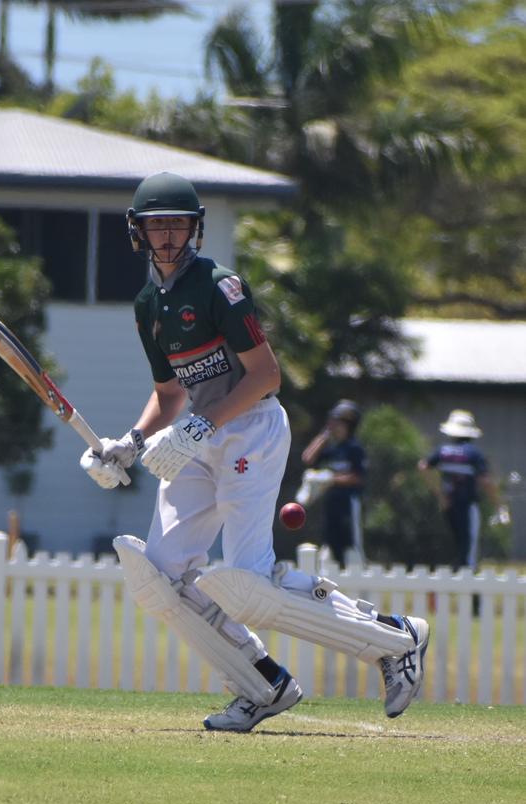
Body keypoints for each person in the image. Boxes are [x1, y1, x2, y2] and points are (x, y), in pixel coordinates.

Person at [80, 172, 429, 730]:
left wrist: (201, 425)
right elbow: (169, 392)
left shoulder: (219, 286)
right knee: (161, 578)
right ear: (138, 233)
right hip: (197, 433)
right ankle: (260, 684)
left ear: (195, 229)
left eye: (177, 224)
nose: (167, 236)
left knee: (247, 585)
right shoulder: (148, 304)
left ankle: (394, 637)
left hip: (250, 429)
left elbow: (266, 375)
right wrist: (131, 442)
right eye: (156, 225)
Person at [418, 409, 507, 571]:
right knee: (468, 549)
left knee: (456, 545)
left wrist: (440, 495)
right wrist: (499, 505)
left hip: (448, 505)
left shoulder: (442, 451)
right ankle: (469, 587)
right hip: (467, 506)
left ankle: (454, 576)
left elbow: (423, 467)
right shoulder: (473, 453)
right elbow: (485, 481)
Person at [298, 399, 366, 568]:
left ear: (347, 423)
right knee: (330, 545)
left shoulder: (354, 449)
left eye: (336, 421)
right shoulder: (333, 449)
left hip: (348, 504)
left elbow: (358, 477)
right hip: (331, 504)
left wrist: (331, 479)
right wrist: (324, 435)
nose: (332, 424)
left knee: (351, 546)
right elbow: (308, 458)